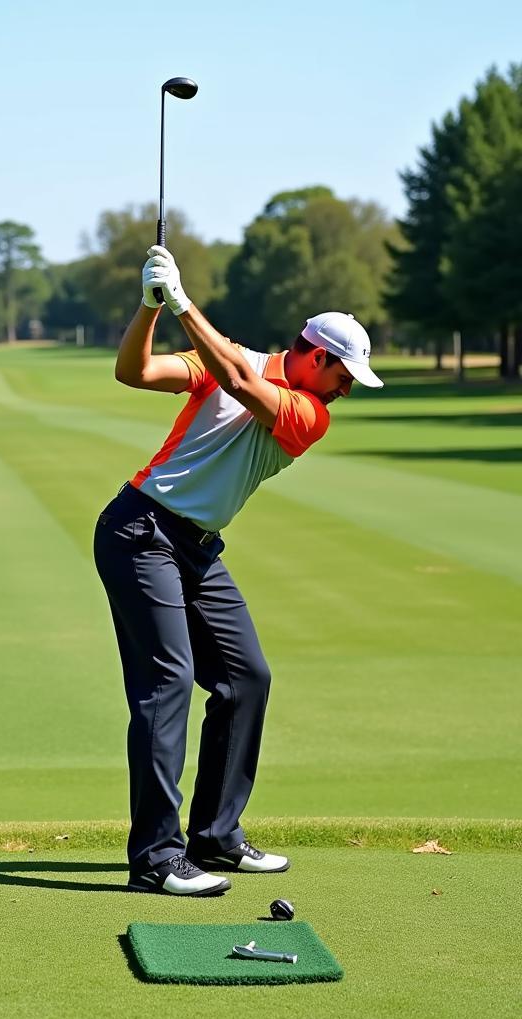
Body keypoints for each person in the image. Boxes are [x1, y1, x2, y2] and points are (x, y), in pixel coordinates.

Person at [94, 245, 382, 897]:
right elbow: (133, 371)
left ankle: (216, 837)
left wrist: (183, 303)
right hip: (140, 530)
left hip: (194, 547)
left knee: (245, 679)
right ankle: (156, 858)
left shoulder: (309, 414)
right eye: (344, 376)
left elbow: (243, 387)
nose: (345, 391)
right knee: (166, 684)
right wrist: (149, 307)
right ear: (318, 357)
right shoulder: (225, 359)